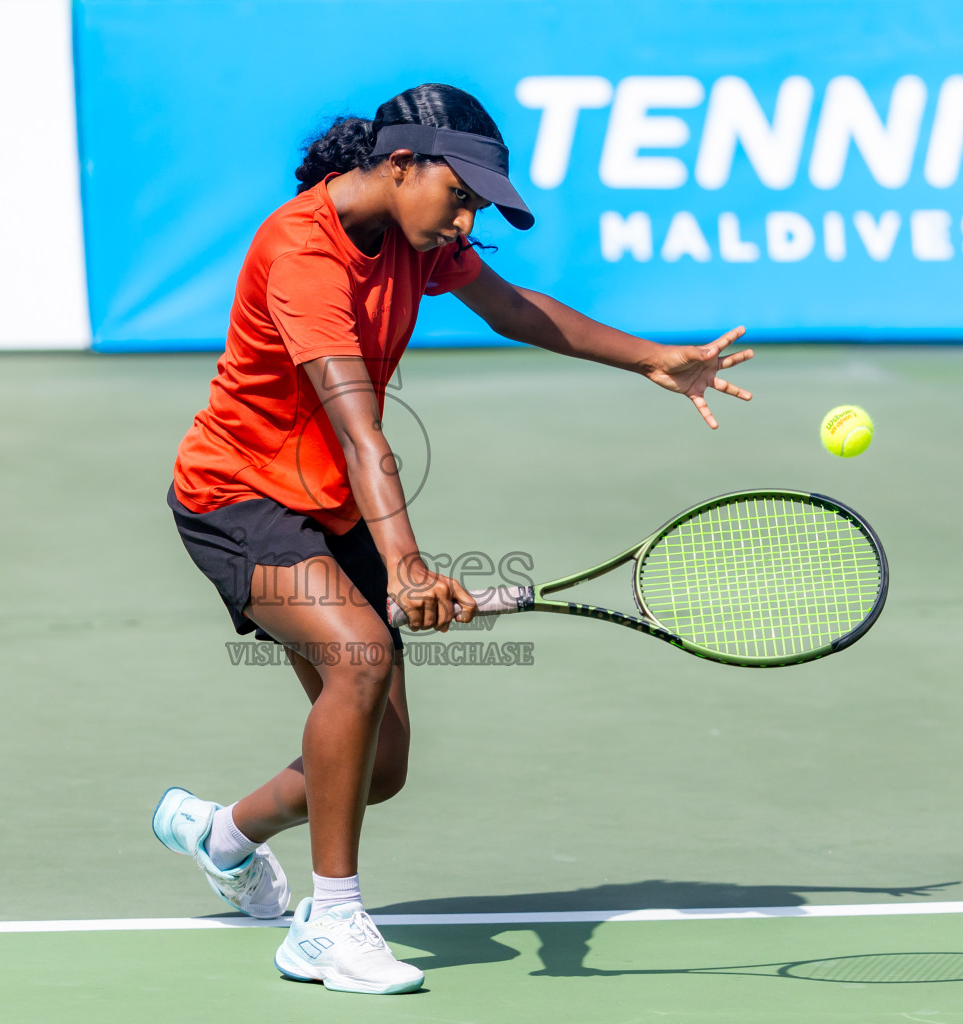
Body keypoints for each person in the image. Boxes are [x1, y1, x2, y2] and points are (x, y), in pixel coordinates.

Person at [154, 82, 753, 995]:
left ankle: (223, 833)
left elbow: (515, 310)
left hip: (331, 506)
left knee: (378, 768)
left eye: (477, 202)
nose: (468, 218)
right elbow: (360, 429)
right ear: (401, 165)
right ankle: (331, 923)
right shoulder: (304, 255)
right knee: (357, 660)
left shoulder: (415, 238)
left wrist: (653, 358)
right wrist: (406, 565)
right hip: (237, 496)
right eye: (460, 194)